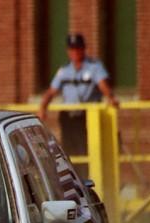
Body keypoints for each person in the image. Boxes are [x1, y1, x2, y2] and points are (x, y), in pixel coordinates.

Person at [37, 33, 118, 162]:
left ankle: (86, 179)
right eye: (72, 49)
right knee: (69, 150)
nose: (75, 52)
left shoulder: (94, 67)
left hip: (86, 118)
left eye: (78, 48)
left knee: (85, 150)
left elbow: (103, 85)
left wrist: (111, 97)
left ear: (83, 48)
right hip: (69, 118)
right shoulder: (64, 70)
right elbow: (51, 91)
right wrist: (43, 107)